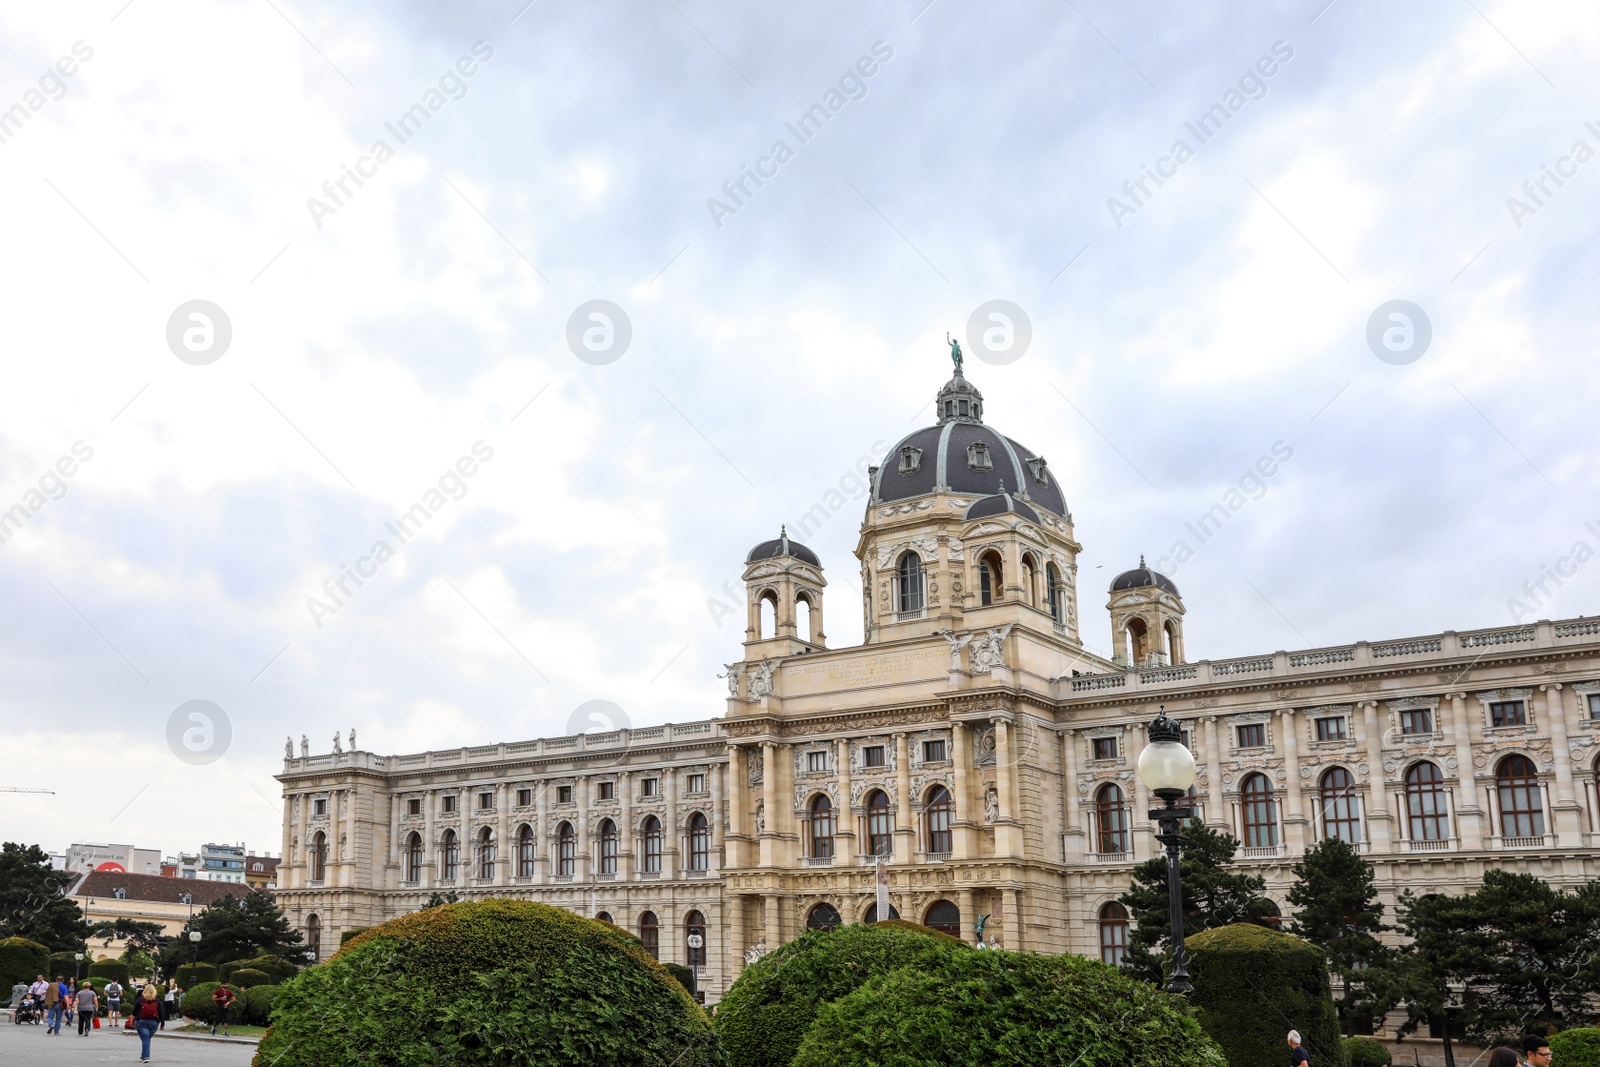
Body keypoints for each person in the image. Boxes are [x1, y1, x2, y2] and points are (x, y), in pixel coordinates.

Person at [133, 985, 163, 1063]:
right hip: (154, 1023)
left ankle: (146, 1056)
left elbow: (134, 1012)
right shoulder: (157, 1001)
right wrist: (162, 1023)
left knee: (145, 1039)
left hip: (142, 1022)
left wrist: (133, 1021)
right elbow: (161, 1013)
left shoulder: (140, 1000)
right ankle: (143, 1056)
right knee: (147, 1039)